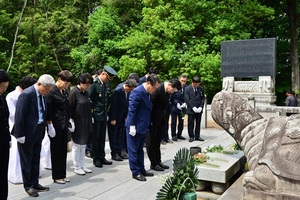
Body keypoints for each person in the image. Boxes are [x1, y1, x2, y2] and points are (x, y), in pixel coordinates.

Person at [12, 74, 55, 197]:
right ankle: (28, 185)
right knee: (27, 160)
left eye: (48, 91)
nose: (46, 92)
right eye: (45, 90)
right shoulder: (27, 94)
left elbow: (44, 111)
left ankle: (35, 182)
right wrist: (20, 134)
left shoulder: (43, 95)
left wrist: (49, 125)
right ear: (39, 84)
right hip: (26, 133)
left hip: (39, 131)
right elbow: (19, 115)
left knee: (36, 158)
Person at [126, 74, 160, 181]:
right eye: (154, 87)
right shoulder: (137, 92)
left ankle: (141, 169)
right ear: (148, 83)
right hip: (135, 126)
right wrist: (132, 126)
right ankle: (135, 172)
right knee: (133, 150)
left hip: (143, 126)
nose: (154, 90)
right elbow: (132, 111)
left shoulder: (147, 92)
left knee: (140, 150)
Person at [146, 78, 182, 171]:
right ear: (169, 85)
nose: (173, 92)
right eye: (173, 90)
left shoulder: (167, 92)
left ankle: (158, 161)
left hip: (160, 120)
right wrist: (149, 120)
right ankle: (153, 163)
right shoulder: (158, 89)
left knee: (158, 142)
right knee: (151, 143)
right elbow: (150, 106)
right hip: (152, 120)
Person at [7, 76, 36, 184]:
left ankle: (29, 175)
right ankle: (16, 175)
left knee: (28, 153)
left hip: (28, 127)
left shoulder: (28, 94)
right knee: (16, 153)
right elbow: (13, 114)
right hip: (16, 126)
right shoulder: (12, 96)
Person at [46, 70, 73, 184]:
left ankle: (62, 174)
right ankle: (57, 176)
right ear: (59, 79)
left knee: (63, 150)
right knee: (56, 151)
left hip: (64, 124)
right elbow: (48, 109)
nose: (66, 85)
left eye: (68, 83)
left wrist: (70, 120)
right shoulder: (51, 91)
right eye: (65, 82)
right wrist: (50, 124)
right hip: (55, 125)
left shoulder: (65, 92)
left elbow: (67, 107)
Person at [88, 66, 118, 168]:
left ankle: (101, 156)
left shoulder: (106, 84)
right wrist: (91, 114)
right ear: (103, 74)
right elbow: (89, 100)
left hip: (103, 115)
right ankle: (95, 158)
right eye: (107, 78)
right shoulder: (94, 84)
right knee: (95, 138)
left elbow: (106, 100)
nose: (107, 81)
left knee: (102, 138)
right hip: (96, 115)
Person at [69, 73, 93, 175]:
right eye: (86, 84)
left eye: (89, 85)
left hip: (86, 120)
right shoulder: (74, 92)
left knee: (83, 145)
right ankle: (77, 166)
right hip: (77, 121)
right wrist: (71, 121)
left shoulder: (86, 93)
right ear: (80, 83)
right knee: (77, 145)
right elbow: (70, 108)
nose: (88, 86)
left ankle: (82, 164)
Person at [108, 78, 138, 161]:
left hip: (122, 118)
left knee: (120, 136)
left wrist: (125, 117)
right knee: (114, 136)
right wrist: (113, 118)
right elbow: (114, 106)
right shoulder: (118, 91)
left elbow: (126, 106)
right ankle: (114, 153)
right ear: (127, 86)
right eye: (130, 89)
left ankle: (119, 151)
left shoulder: (127, 93)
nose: (131, 91)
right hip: (115, 118)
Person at [184, 76, 205, 142]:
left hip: (199, 109)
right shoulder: (187, 89)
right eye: (195, 84)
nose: (196, 85)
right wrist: (193, 107)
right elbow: (187, 99)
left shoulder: (200, 89)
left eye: (198, 84)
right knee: (191, 123)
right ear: (192, 82)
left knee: (198, 123)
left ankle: (197, 136)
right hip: (191, 109)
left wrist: (201, 107)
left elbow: (203, 98)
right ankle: (191, 136)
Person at [0, 69, 11, 200]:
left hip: (3, 140)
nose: (3, 90)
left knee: (3, 172)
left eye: (5, 87)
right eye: (2, 87)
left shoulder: (2, 98)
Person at [170, 74, 187, 141]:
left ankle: (179, 134)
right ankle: (173, 135)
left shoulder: (186, 88)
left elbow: (187, 97)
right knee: (174, 121)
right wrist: (176, 103)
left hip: (182, 107)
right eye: (182, 81)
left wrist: (185, 103)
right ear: (179, 79)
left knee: (181, 121)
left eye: (185, 81)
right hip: (175, 107)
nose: (183, 82)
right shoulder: (175, 87)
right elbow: (172, 97)